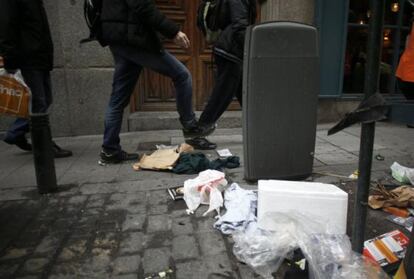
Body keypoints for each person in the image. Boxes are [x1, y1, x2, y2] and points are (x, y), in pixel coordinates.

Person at [97, 0, 211, 165]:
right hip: (133, 39)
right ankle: (190, 127)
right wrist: (174, 32)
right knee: (182, 75)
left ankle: (109, 150)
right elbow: (142, 6)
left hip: (118, 37)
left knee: (118, 98)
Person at [0, 0, 73, 158]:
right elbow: (6, 25)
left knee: (45, 99)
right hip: (27, 56)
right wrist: (10, 57)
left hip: (39, 55)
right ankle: (44, 146)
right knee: (39, 102)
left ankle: (15, 133)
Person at [187, 0, 257, 149]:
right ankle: (197, 134)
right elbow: (240, 27)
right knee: (222, 96)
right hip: (229, 52)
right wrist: (254, 49)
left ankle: (258, 131)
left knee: (247, 96)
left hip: (234, 53)